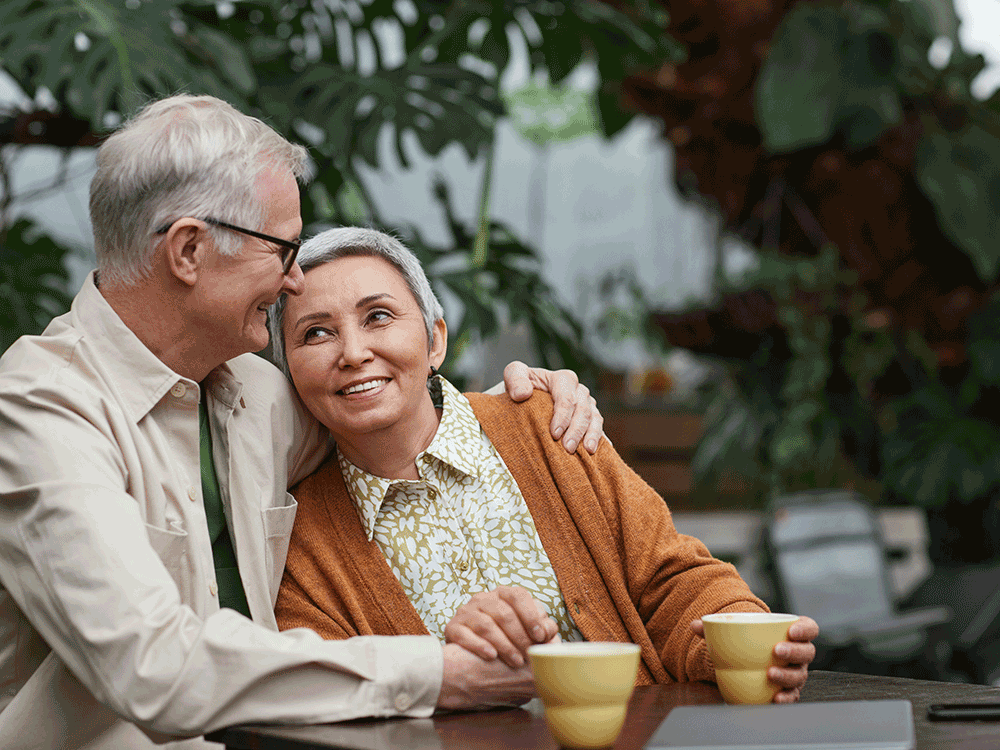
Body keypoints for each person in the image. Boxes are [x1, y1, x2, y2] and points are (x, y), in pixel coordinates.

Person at [0, 94, 606, 750]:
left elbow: (393, 420)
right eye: (283, 249)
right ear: (189, 251)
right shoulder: (37, 411)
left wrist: (517, 408)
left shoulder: (258, 393)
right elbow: (151, 666)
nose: (294, 280)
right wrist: (436, 674)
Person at [270, 227, 820, 701]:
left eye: (379, 316)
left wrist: (735, 640)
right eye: (315, 333)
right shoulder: (300, 539)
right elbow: (330, 695)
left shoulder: (547, 423)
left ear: (435, 340)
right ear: (288, 369)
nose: (352, 352)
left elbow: (669, 577)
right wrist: (443, 666)